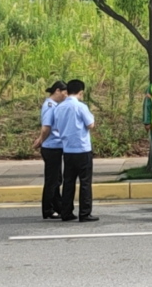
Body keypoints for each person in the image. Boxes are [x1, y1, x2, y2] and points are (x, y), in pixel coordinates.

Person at [53, 79, 98, 222]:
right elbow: (90, 124)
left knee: (68, 182)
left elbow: (57, 127)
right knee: (85, 182)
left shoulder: (59, 108)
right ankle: (84, 213)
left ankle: (66, 212)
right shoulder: (81, 106)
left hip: (67, 149)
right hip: (82, 148)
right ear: (81, 92)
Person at [33, 80, 66, 220]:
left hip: (56, 146)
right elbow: (46, 128)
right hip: (51, 147)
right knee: (52, 180)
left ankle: (59, 207)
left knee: (57, 179)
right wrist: (41, 140)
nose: (66, 96)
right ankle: (48, 209)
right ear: (57, 91)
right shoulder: (50, 106)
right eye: (65, 93)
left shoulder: (55, 105)